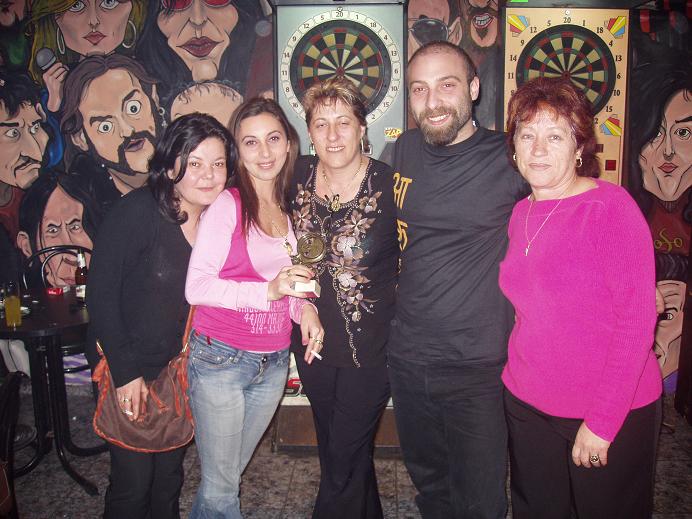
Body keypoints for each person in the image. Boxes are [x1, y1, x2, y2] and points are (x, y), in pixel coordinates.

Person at [501, 76, 662, 519]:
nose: (538, 149)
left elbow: (636, 324)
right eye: (527, 135)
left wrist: (602, 423)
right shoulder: (520, 213)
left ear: (578, 148)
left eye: (555, 136)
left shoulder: (610, 209)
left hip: (607, 409)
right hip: (527, 404)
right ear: (514, 148)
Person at [390, 41, 527, 518]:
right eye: (419, 89)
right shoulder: (401, 150)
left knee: (480, 501)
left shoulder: (509, 157)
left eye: (446, 85)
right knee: (431, 489)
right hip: (407, 357)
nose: (432, 102)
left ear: (473, 88)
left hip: (477, 366)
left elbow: (570, 203)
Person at [85, 113, 234, 519]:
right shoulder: (137, 212)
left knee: (169, 480)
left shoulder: (219, 220)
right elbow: (100, 295)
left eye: (218, 163)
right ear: (170, 167)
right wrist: (125, 373)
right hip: (129, 366)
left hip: (179, 372)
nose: (208, 175)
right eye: (195, 162)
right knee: (133, 485)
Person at [185, 97, 324, 519]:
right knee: (223, 488)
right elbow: (196, 287)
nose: (264, 152)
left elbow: (289, 284)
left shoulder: (289, 205)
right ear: (238, 151)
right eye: (250, 142)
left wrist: (306, 311)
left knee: (225, 478)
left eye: (273, 139)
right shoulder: (228, 205)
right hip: (221, 359)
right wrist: (268, 291)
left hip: (273, 361)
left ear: (288, 144)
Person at [289, 77, 398, 519]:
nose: (332, 135)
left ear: (361, 127)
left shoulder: (389, 183)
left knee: (341, 462)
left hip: (371, 350)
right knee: (340, 452)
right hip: (312, 345)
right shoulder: (294, 176)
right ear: (309, 132)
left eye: (343, 122)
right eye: (321, 124)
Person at [60, 54, 162, 205]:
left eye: (133, 108)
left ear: (154, 98)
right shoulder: (89, 206)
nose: (127, 131)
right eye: (105, 127)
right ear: (81, 139)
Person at [28, 0, 146, 112]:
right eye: (76, 5)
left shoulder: (144, 78)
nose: (93, 21)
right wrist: (56, 104)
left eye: (108, 2)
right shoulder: (52, 90)